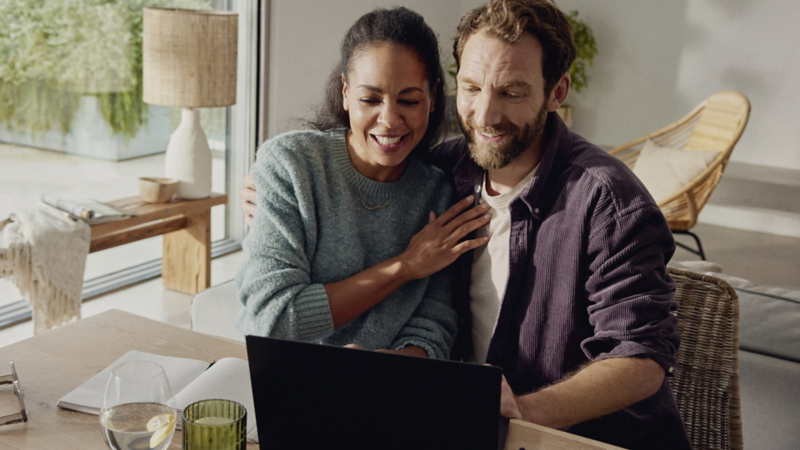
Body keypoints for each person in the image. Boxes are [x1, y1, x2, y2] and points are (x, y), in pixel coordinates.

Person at [241, 1, 691, 448]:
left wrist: (525, 410)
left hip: (582, 437)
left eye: (512, 92)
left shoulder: (609, 201)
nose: (485, 115)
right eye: (472, 88)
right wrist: (267, 196)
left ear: (557, 92)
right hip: (466, 423)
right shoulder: (449, 169)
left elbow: (642, 358)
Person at [236, 7, 490, 360]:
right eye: (370, 99)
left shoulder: (438, 194)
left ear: (432, 97)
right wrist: (405, 265)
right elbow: (273, 318)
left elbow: (436, 323)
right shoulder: (290, 165)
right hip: (279, 376)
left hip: (386, 390)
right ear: (345, 92)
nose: (389, 120)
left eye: (409, 100)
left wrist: (388, 367)